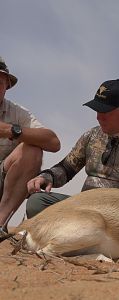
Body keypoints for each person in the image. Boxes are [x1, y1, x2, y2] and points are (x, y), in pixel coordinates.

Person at [26, 79, 119, 217]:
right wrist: (46, 177)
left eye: (106, 111)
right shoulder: (92, 135)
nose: (98, 117)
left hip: (114, 221)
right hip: (81, 209)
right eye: (97, 110)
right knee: (36, 202)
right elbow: (66, 168)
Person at [0, 56, 61, 234]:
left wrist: (10, 131)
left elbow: (53, 142)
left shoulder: (17, 113)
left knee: (33, 148)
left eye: (0, 82)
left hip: (3, 182)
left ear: (7, 87)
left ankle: (0, 222)